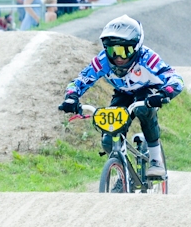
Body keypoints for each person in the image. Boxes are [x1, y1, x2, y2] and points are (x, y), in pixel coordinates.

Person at [59, 15, 184, 178]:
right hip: (123, 93)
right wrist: (71, 97)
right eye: (113, 51)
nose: (118, 57)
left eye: (125, 51)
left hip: (147, 90)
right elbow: (81, 80)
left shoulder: (148, 58)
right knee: (108, 139)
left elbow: (176, 79)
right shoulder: (102, 60)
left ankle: (156, 160)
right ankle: (122, 172)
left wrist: (165, 93)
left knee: (144, 110)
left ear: (137, 47)